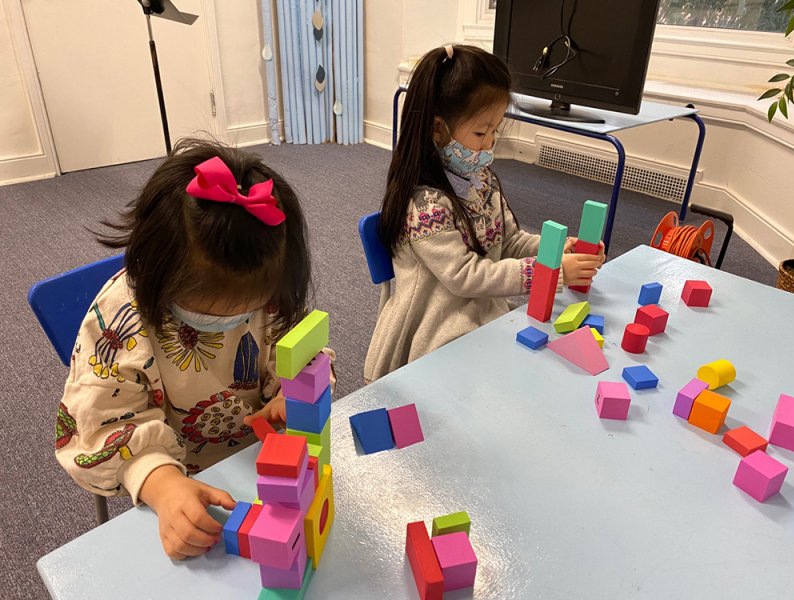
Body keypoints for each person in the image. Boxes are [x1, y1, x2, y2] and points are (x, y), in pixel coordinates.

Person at [56, 139, 330, 559]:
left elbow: (303, 352)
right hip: (176, 474)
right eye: (207, 315)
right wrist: (162, 484)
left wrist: (292, 396)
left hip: (260, 461)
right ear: (156, 271)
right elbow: (102, 424)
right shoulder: (121, 318)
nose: (232, 322)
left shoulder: (270, 292)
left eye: (247, 311)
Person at [364, 45, 604, 382]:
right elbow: (465, 276)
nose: (490, 143)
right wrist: (546, 272)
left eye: (495, 130)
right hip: (435, 331)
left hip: (481, 312)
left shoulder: (481, 182)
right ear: (437, 128)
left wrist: (554, 251)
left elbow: (509, 242)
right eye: (481, 132)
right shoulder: (425, 206)